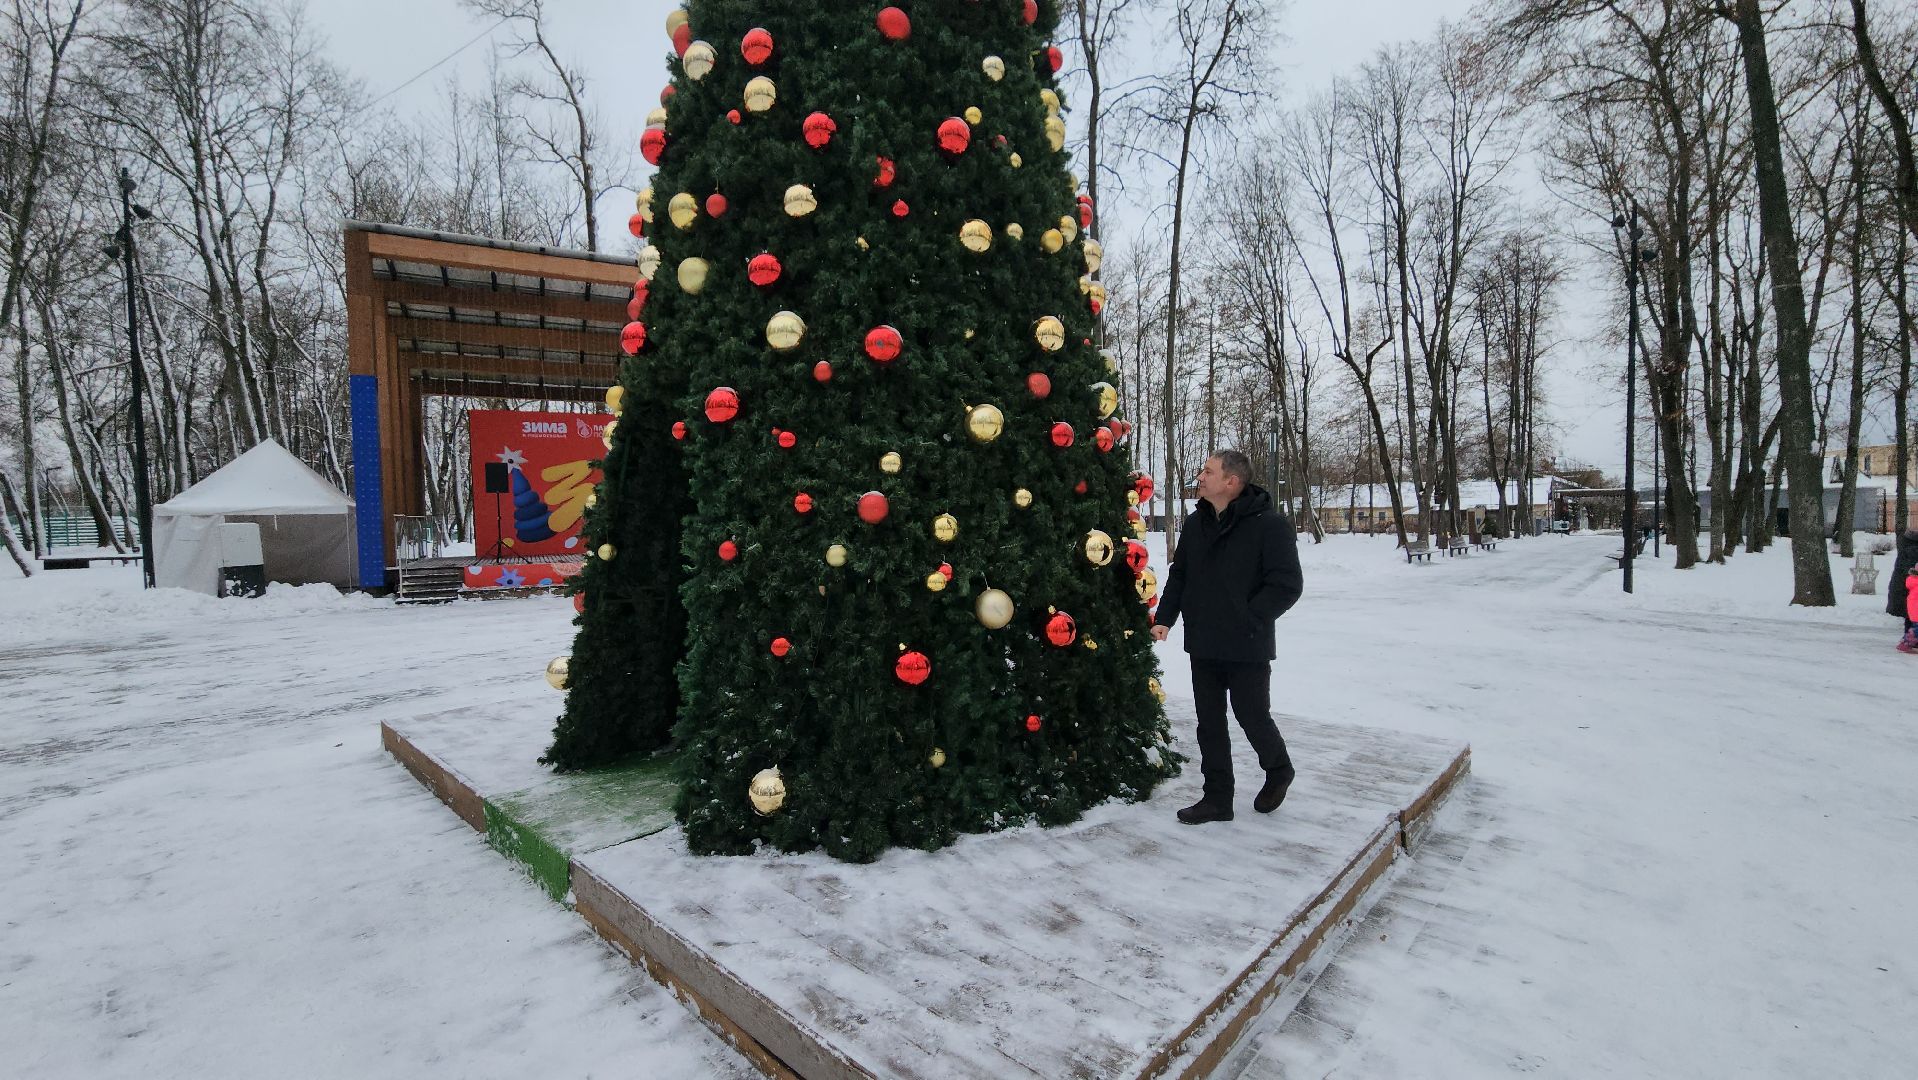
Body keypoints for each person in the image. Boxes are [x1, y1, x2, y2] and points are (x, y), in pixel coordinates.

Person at [1150, 450, 1305, 824]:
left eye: (1208, 471)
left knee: (1251, 714)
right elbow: (1181, 574)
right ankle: (1217, 798)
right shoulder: (1195, 524)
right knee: (1210, 721)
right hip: (1204, 641)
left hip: (1247, 642)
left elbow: (1287, 584)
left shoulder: (1269, 525)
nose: (1200, 477)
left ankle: (1279, 768)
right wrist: (1165, 617)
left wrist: (1250, 617)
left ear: (1231, 482)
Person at [1892, 528, 1918, 654]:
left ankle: (1908, 641)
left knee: (1911, 619)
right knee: (1913, 621)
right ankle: (1908, 641)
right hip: (1911, 592)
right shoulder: (1913, 551)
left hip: (1905, 591)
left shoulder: (1906, 549)